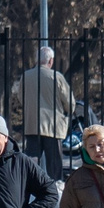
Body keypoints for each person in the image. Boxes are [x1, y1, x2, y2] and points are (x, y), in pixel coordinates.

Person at [10, 44, 79, 177]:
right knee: (54, 163)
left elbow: (21, 97)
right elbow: (70, 102)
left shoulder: (26, 76)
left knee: (32, 160)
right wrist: (67, 111)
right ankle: (55, 185)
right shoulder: (56, 77)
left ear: (37, 60)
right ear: (51, 60)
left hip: (32, 124)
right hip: (53, 126)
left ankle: (31, 183)